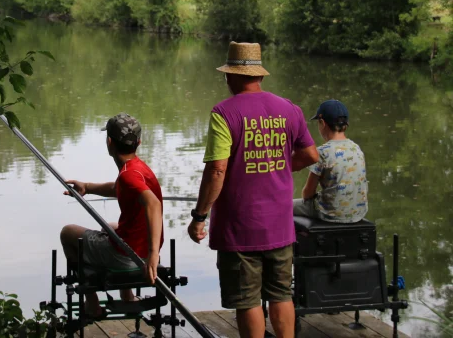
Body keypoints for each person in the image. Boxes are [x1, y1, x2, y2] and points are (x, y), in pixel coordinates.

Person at [187, 42, 319, 338]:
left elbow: (217, 169)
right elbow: (311, 155)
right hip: (280, 225)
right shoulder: (290, 109)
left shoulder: (224, 113)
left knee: (247, 299)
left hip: (240, 228)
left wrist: (200, 216)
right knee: (281, 294)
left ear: (231, 76)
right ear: (259, 75)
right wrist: (280, 164)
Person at [60, 112, 164, 318]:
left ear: (109, 142)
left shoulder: (129, 176)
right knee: (110, 226)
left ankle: (92, 304)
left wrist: (153, 255)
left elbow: (152, 203)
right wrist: (87, 187)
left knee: (68, 233)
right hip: (140, 250)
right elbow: (118, 188)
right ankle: (127, 296)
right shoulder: (137, 168)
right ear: (139, 142)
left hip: (130, 257)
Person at [293, 99, 368, 223]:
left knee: (286, 206)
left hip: (330, 214)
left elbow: (308, 193)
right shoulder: (356, 148)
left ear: (322, 123)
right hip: (358, 213)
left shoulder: (323, 152)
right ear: (345, 124)